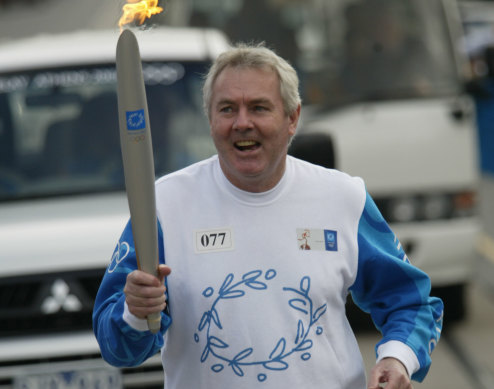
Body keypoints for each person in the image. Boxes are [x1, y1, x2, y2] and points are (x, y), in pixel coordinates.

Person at [93, 43, 443, 389]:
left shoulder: (342, 198)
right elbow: (115, 346)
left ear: (292, 118)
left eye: (259, 108)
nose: (242, 123)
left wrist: (398, 357)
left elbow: (413, 302)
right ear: (210, 119)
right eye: (227, 109)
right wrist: (135, 313)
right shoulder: (164, 206)